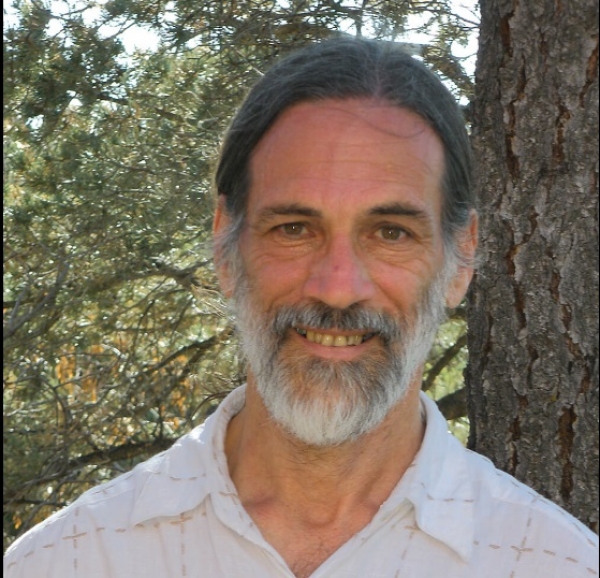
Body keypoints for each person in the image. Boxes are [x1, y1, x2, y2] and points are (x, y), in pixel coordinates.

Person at [4, 38, 598, 578]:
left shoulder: (556, 564)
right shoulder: (65, 562)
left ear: (461, 258)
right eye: (294, 228)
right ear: (226, 246)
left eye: (390, 233)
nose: (338, 288)